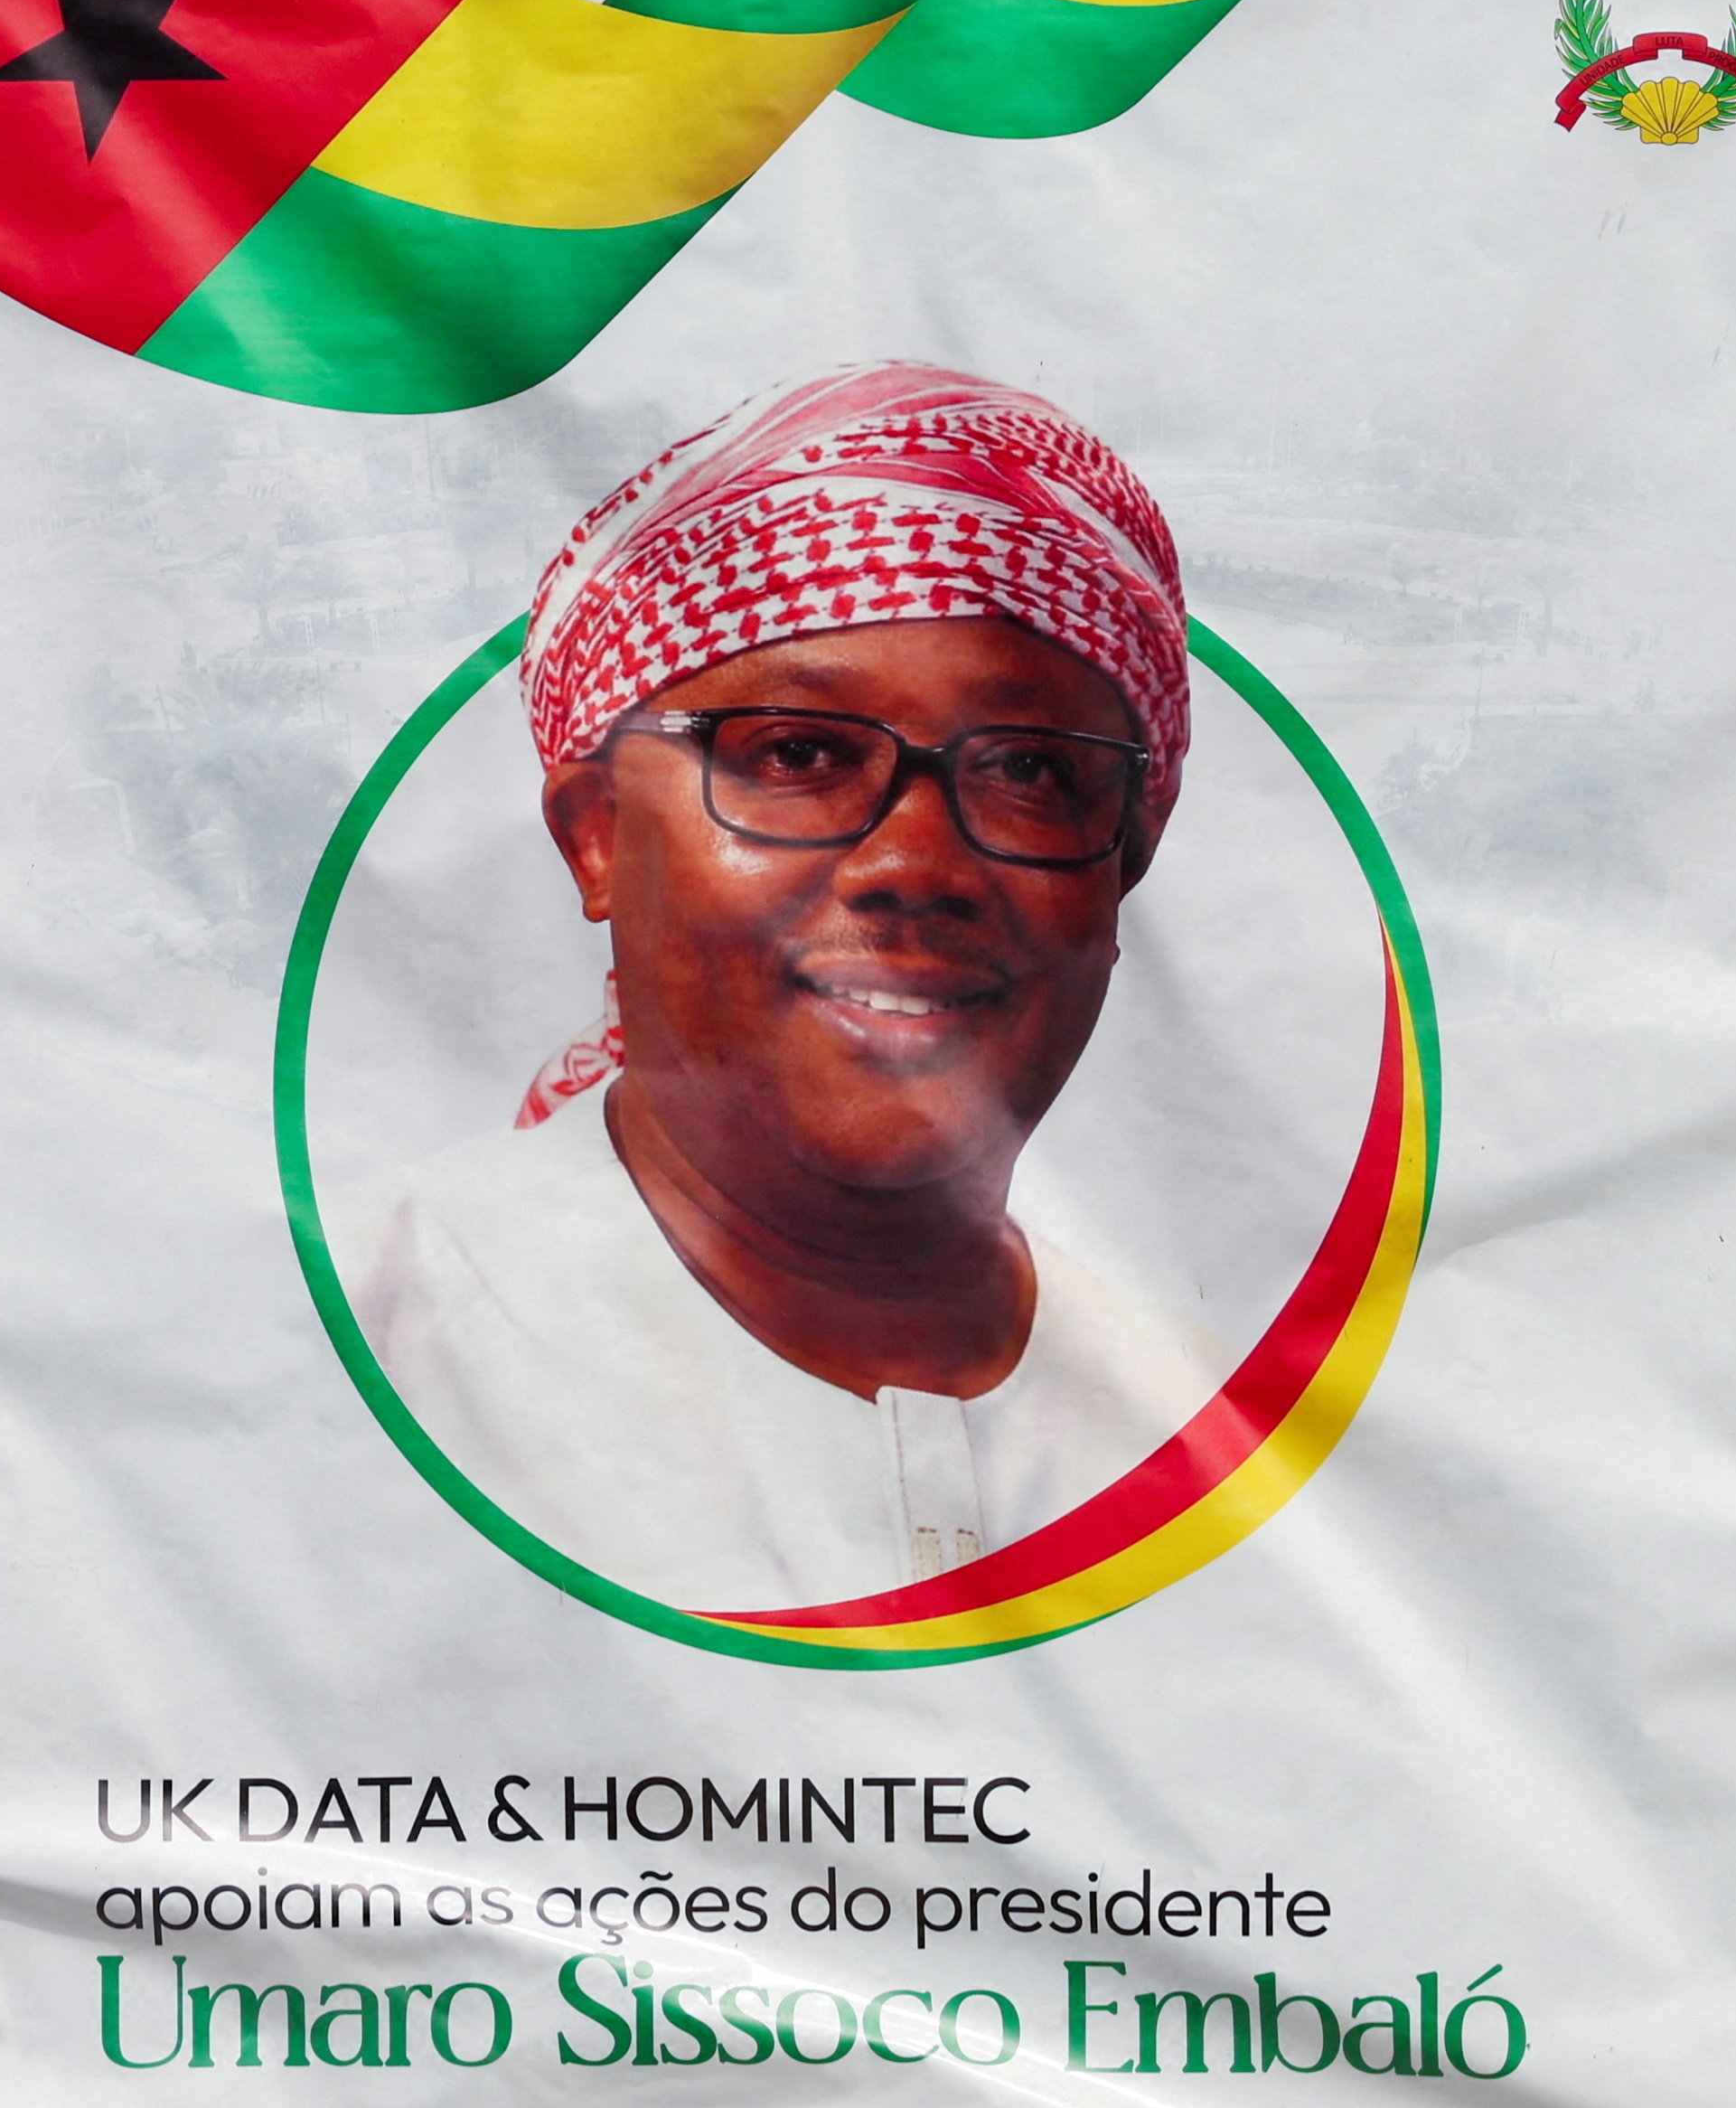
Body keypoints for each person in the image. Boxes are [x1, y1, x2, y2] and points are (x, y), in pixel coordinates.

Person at [350, 363, 1220, 1614]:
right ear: (597, 833)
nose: (917, 864)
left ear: (1123, 863)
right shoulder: (358, 1338)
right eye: (798, 753)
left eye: (1032, 769)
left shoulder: (1221, 1443)